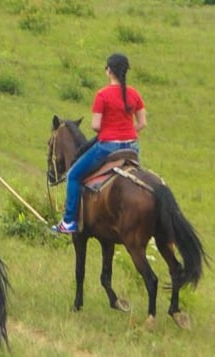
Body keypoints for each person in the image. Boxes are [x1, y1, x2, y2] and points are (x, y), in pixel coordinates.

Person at [53, 53, 147, 234]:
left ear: (109, 71)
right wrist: (127, 132)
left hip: (107, 147)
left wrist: (112, 132)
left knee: (73, 175)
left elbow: (96, 126)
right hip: (131, 148)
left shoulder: (102, 95)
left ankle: (69, 221)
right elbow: (142, 123)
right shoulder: (135, 94)